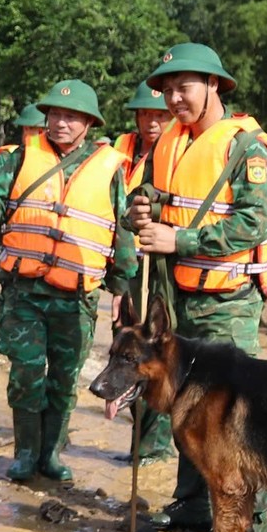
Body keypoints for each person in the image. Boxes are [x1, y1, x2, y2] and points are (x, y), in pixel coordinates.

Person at [125, 43, 267, 532]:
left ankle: (252, 524)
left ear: (215, 85)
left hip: (227, 300)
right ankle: (193, 506)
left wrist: (181, 239)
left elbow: (254, 221)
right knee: (185, 409)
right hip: (179, 299)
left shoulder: (247, 149)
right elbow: (144, 192)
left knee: (233, 414)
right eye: (167, 89)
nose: (173, 98)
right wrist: (139, 211)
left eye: (183, 87)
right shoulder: (171, 139)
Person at [0, 80, 135, 484]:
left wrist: (125, 290)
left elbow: (121, 228)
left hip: (76, 296)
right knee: (26, 372)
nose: (61, 122)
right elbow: (0, 205)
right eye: (55, 115)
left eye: (71, 116)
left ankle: (52, 454)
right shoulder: (18, 157)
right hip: (23, 292)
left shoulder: (110, 167)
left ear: (88, 123)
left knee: (65, 377)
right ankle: (25, 453)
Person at [110, 82, 175, 462]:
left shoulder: (178, 157)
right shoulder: (121, 157)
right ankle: (139, 440)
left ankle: (152, 448)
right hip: (131, 270)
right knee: (125, 356)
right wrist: (119, 280)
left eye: (160, 115)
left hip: (165, 271)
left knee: (156, 358)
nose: (153, 122)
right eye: (146, 114)